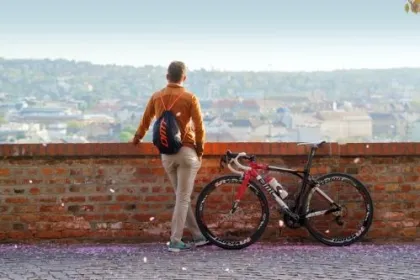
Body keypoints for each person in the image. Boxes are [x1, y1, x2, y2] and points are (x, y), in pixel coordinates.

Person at [132, 61, 208, 252]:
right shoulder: (190, 97)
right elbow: (199, 128)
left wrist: (137, 138)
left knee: (181, 197)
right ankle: (175, 241)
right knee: (183, 198)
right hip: (186, 152)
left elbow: (146, 120)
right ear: (184, 78)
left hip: (167, 154)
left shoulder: (157, 96)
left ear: (167, 77)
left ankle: (198, 236)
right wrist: (199, 151)